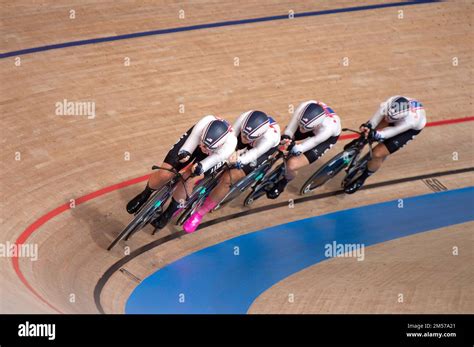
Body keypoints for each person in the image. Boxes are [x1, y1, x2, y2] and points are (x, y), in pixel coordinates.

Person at [126, 115, 237, 230]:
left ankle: (170, 212)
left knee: (189, 178)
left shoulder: (229, 145)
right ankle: (145, 194)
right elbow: (189, 145)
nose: (204, 149)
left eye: (207, 148)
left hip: (214, 157)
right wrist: (185, 153)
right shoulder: (204, 123)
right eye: (203, 145)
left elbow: (208, 163)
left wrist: (199, 167)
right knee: (166, 172)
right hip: (196, 140)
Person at [183, 110, 281, 233]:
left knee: (228, 178)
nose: (244, 139)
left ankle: (199, 214)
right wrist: (230, 153)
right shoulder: (244, 118)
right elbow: (232, 137)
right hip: (247, 136)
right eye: (244, 134)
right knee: (222, 156)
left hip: (261, 150)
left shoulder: (269, 138)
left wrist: (239, 160)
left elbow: (255, 153)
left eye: (247, 137)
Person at [344, 96, 426, 194]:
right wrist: (369, 126)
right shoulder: (392, 101)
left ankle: (362, 178)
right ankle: (358, 145)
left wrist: (377, 134)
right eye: (388, 115)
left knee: (377, 154)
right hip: (395, 114)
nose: (387, 118)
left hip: (408, 130)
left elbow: (389, 132)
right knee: (369, 131)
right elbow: (378, 115)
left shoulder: (410, 122)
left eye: (391, 118)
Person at [266, 100, 341, 199]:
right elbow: (291, 128)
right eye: (301, 125)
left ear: (317, 125)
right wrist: (286, 137)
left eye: (304, 128)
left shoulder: (328, 128)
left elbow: (311, 143)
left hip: (324, 139)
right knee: (280, 140)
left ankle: (285, 181)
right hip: (308, 124)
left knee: (292, 165)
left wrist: (297, 148)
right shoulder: (304, 107)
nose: (301, 129)